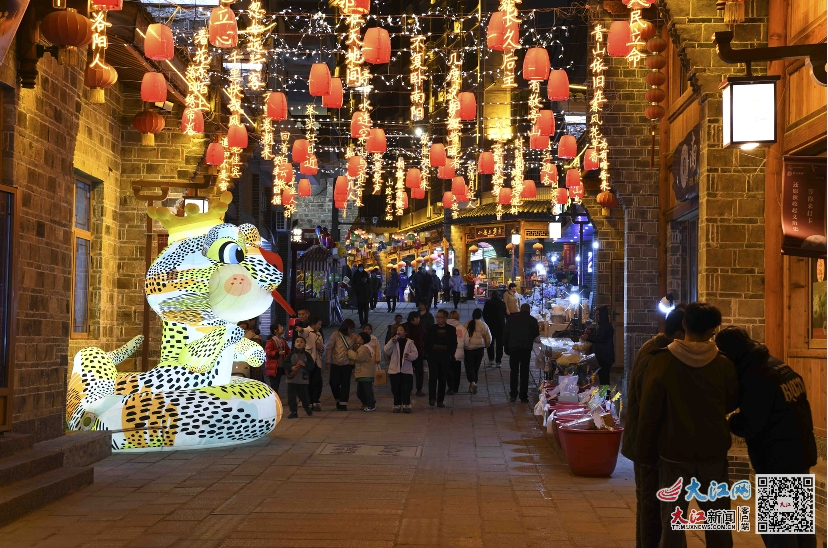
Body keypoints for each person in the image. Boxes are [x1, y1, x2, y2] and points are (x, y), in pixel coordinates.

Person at [634, 302, 737, 548]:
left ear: (683, 324)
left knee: (673, 524)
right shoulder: (722, 364)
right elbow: (731, 400)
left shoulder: (662, 361)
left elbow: (650, 411)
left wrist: (645, 452)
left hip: (673, 453)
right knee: (718, 522)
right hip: (712, 453)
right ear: (713, 329)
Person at [714, 326, 818, 548]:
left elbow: (751, 423)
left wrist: (729, 421)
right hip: (798, 451)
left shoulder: (757, 377)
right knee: (799, 525)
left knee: (778, 529)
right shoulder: (777, 365)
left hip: (777, 458)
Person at [621, 306, 686, 548]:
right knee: (656, 507)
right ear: (682, 332)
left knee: (657, 506)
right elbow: (649, 409)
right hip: (655, 447)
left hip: (655, 445)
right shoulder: (659, 356)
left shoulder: (655, 349)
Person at [503, 303, 540, 403]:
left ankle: (513, 395)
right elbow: (536, 334)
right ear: (529, 310)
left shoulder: (511, 319)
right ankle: (523, 396)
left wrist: (506, 347)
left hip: (513, 348)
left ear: (520, 309)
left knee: (514, 372)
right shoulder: (533, 320)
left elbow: (506, 333)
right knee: (524, 372)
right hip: (526, 349)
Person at [425, 309, 457, 408]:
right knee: (433, 378)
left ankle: (440, 400)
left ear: (445, 318)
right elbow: (427, 341)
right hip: (433, 357)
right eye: (437, 317)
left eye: (440, 317)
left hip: (445, 357)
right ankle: (432, 398)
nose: (438, 319)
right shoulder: (431, 328)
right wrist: (427, 354)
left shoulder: (451, 329)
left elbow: (454, 343)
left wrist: (451, 355)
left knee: (443, 379)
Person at [385, 323, 418, 413]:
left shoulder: (410, 342)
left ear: (406, 332)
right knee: (395, 388)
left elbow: (415, 354)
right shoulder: (393, 341)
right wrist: (392, 341)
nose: (399, 332)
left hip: (406, 370)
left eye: (401, 330)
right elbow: (386, 350)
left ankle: (406, 404)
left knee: (406, 388)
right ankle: (397, 404)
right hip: (394, 369)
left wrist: (409, 356)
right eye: (397, 330)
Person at [325, 319, 357, 411]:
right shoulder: (336, 334)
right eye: (350, 329)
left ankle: (343, 403)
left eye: (352, 329)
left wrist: (354, 361)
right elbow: (329, 348)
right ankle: (338, 399)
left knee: (345, 384)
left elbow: (356, 349)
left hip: (347, 364)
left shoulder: (354, 337)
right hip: (336, 363)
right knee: (333, 382)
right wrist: (328, 361)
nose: (351, 331)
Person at [283, 336, 315, 418]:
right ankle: (293, 411)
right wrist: (291, 367)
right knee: (291, 397)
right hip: (291, 379)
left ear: (305, 345)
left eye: (301, 342)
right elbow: (285, 364)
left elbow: (312, 366)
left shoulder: (307, 355)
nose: (299, 343)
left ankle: (307, 407)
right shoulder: (291, 354)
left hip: (302, 380)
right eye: (297, 341)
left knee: (304, 396)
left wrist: (305, 365)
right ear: (294, 344)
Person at [584, 305, 615, 385]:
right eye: (596, 314)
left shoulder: (606, 327)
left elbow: (599, 338)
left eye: (598, 314)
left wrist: (588, 337)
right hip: (602, 357)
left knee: (604, 379)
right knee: (602, 378)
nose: (596, 316)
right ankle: (604, 395)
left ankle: (606, 396)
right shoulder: (601, 326)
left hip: (605, 358)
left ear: (603, 315)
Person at [464, 308, 491, 394]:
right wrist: (485, 346)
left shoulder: (467, 324)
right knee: (476, 367)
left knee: (469, 367)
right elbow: (488, 339)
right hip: (479, 349)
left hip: (468, 349)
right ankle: (474, 382)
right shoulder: (483, 325)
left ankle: (472, 382)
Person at [348, 332, 377, 412]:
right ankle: (366, 403)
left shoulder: (363, 348)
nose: (357, 339)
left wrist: (349, 352)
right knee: (361, 392)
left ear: (362, 340)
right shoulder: (365, 347)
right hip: (363, 373)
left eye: (359, 337)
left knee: (366, 391)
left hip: (365, 373)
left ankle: (371, 405)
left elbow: (358, 357)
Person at [304, 315, 325, 411]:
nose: (320, 326)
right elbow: (302, 333)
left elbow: (322, 348)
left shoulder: (319, 334)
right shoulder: (306, 332)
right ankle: (309, 401)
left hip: (317, 361)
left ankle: (315, 400)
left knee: (317, 382)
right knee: (309, 382)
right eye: (318, 324)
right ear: (313, 324)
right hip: (308, 361)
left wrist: (321, 348)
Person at [404, 311, 427, 397]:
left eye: (419, 318)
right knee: (408, 372)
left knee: (419, 371)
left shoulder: (420, 326)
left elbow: (424, 337)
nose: (418, 320)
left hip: (419, 353)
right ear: (411, 319)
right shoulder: (405, 326)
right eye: (416, 318)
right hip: (408, 353)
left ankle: (419, 389)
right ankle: (408, 389)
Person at [483, 292, 507, 367]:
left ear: (491, 296)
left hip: (491, 325)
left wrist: (487, 321)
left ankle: (491, 359)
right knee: (500, 344)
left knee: (490, 342)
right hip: (500, 326)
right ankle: (498, 361)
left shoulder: (488, 303)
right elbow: (505, 314)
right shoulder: (502, 303)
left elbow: (484, 314)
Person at [446, 310, 467, 395]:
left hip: (448, 353)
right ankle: (456, 388)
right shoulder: (462, 328)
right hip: (459, 353)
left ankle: (450, 387)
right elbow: (467, 342)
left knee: (448, 370)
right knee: (457, 372)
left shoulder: (445, 327)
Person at [264, 323, 288, 396]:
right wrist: (277, 353)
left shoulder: (283, 340)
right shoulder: (270, 341)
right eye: (280, 327)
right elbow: (268, 352)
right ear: (276, 331)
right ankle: (274, 399)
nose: (282, 328)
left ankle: (275, 398)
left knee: (277, 383)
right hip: (272, 366)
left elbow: (287, 350)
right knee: (274, 384)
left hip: (280, 366)